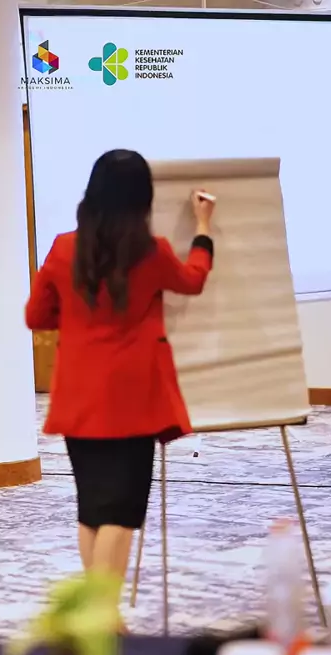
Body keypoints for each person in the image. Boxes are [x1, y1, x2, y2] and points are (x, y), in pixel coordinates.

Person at [25, 149, 215, 592]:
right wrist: (203, 227)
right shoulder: (151, 251)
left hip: (78, 397)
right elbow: (193, 279)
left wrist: (79, 318)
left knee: (92, 509)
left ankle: (98, 612)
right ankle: (104, 613)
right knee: (122, 511)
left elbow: (36, 315)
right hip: (133, 399)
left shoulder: (63, 247)